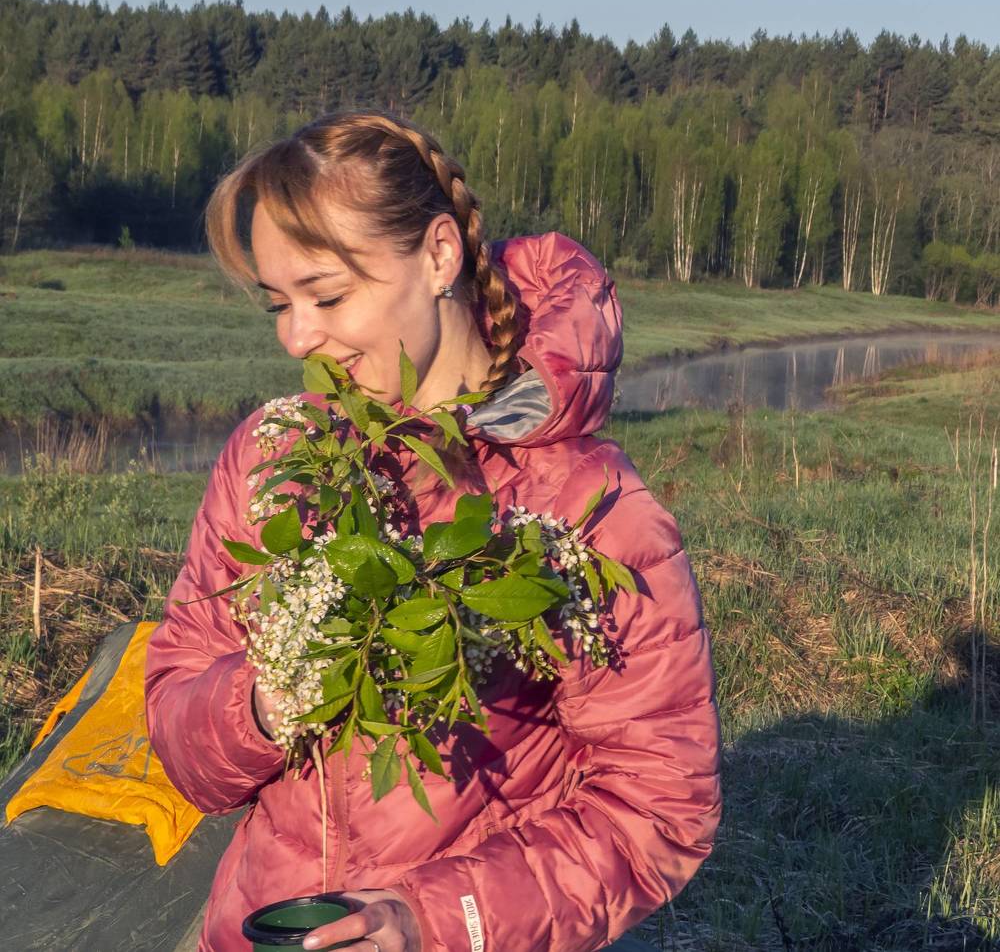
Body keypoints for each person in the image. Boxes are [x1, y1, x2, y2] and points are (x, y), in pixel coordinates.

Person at [144, 108, 722, 952]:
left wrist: (435, 920)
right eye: (280, 303)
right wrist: (261, 702)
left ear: (439, 255)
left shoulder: (590, 507)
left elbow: (658, 808)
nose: (298, 337)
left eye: (329, 296)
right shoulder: (275, 460)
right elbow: (178, 727)